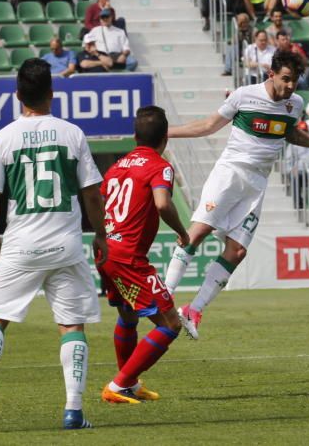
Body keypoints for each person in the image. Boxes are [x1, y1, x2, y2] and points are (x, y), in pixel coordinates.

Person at [0, 59, 107, 433]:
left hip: (21, 244)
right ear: (52, 93)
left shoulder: (4, 137)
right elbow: (92, 195)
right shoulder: (72, 134)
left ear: (17, 95)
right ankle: (73, 409)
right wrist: (100, 233)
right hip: (66, 244)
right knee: (71, 326)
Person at [163, 52, 309, 338]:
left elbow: (290, 134)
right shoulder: (244, 96)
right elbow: (207, 126)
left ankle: (194, 309)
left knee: (237, 250)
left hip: (257, 183)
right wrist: (165, 133)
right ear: (271, 74)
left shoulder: (295, 104)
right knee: (199, 231)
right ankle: (163, 296)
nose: (290, 86)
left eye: (295, 81)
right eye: (285, 79)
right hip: (230, 173)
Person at [97, 106, 189, 404]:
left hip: (106, 249)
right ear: (165, 137)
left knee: (127, 314)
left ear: (134, 136)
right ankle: (119, 384)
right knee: (170, 324)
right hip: (129, 257)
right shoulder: (159, 166)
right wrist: (183, 231)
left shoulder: (116, 166)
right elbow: (162, 204)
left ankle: (129, 383)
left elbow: (100, 205)